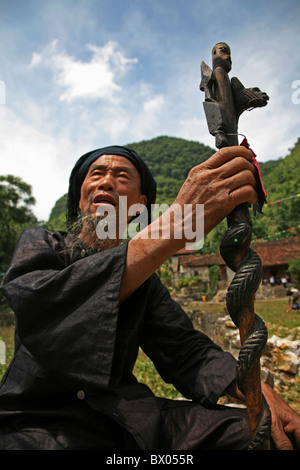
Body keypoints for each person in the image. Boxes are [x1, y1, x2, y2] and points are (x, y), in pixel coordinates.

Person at [0, 145, 299, 450]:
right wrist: (175, 225)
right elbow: (39, 306)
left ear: (139, 205)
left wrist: (255, 388)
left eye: (121, 175)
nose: (105, 182)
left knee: (266, 436)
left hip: (128, 421)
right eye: (96, 174)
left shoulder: (146, 282)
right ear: (80, 197)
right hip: (35, 423)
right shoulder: (40, 244)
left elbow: (185, 352)